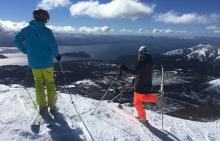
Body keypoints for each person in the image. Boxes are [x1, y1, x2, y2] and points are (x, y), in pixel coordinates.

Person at [14, 9, 61, 116]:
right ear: (44, 18)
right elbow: (52, 45)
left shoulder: (26, 30)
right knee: (50, 83)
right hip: (47, 63)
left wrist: (25, 50)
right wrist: (57, 55)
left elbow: (16, 40)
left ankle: (42, 107)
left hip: (34, 63)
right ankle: (52, 106)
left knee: (39, 84)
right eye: (46, 19)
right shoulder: (47, 32)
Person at [120, 46, 158, 124]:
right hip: (146, 84)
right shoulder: (150, 62)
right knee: (137, 102)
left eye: (139, 54)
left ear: (141, 54)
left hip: (140, 85)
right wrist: (136, 79)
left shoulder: (142, 62)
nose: (139, 55)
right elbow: (144, 74)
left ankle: (156, 98)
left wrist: (125, 69)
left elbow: (135, 72)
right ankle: (142, 118)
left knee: (139, 99)